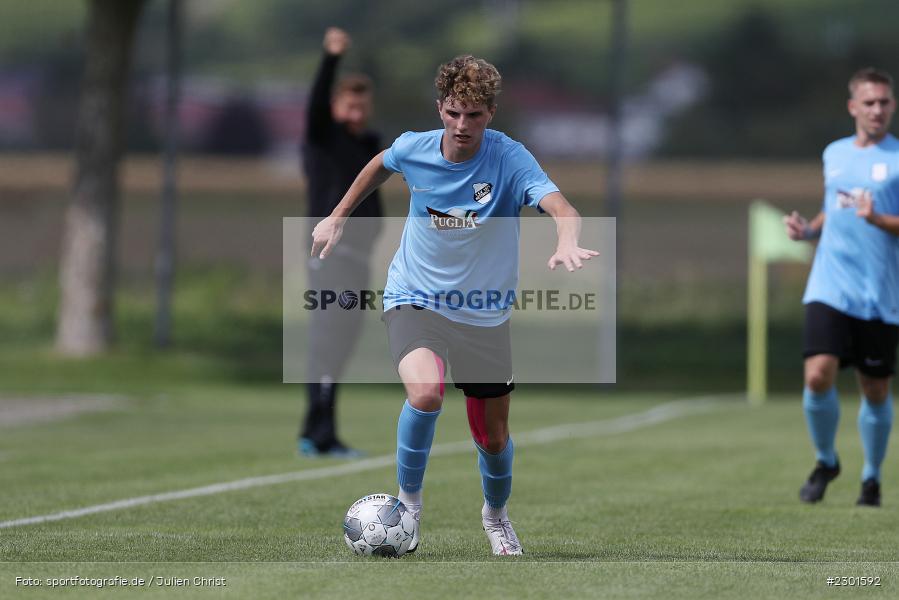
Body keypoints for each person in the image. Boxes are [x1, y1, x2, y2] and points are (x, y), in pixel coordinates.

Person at [312, 55, 597, 555]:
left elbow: (561, 207)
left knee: (492, 438)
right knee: (425, 394)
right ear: (440, 108)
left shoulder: (510, 159)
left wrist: (566, 239)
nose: (462, 126)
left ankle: (496, 516)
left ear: (491, 114)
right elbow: (381, 164)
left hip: (484, 312)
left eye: (475, 115)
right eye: (453, 113)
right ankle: (407, 509)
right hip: (414, 297)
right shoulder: (414, 148)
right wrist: (338, 217)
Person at [784, 67, 899, 507]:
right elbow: (832, 209)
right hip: (831, 282)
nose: (877, 110)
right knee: (817, 375)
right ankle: (826, 460)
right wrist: (808, 231)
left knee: (875, 389)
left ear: (892, 106)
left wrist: (878, 219)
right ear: (853, 107)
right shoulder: (833, 154)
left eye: (884, 102)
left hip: (879, 290)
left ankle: (871, 477)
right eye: (869, 102)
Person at [298, 27, 382, 458]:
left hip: (357, 260)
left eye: (362, 105)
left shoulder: (367, 145)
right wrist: (331, 59)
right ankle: (319, 434)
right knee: (327, 340)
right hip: (329, 258)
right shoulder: (323, 138)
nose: (356, 112)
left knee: (342, 344)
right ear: (335, 106)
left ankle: (318, 429)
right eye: (349, 103)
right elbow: (314, 105)